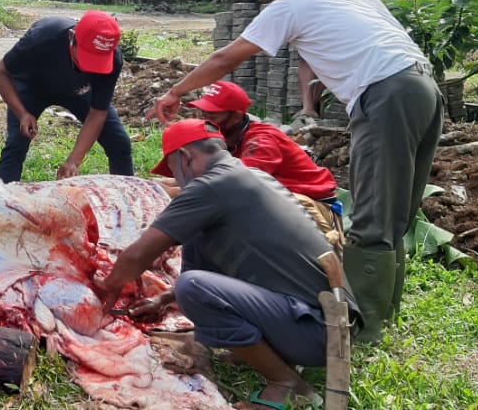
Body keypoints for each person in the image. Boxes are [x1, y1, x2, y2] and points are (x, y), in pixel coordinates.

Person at [148, 0, 443, 344]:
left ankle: (359, 331)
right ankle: (385, 316)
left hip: (385, 94)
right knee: (396, 215)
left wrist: (177, 91)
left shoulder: (294, 2)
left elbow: (227, 58)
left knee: (373, 218)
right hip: (422, 87)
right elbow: (341, 45)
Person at [96, 119, 361, 410]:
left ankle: (288, 385)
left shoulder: (212, 187)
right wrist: (164, 298)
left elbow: (137, 255)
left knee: (194, 287)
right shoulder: (247, 176)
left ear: (186, 158)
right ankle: (266, 350)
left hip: (320, 332)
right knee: (192, 268)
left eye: (173, 170)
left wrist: (105, 292)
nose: (177, 180)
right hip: (329, 322)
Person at [0, 10, 133, 182]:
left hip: (77, 92)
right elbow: (0, 72)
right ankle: (1, 201)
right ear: (71, 37)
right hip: (32, 87)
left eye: (97, 64)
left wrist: (74, 160)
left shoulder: (113, 60)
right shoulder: (42, 37)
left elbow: (98, 113)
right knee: (16, 144)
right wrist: (22, 113)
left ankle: (125, 199)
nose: (89, 69)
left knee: (119, 143)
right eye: (87, 60)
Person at [185, 80, 337, 203]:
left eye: (212, 117)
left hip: (312, 200)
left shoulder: (262, 140)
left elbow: (239, 182)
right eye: (203, 115)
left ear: (237, 116)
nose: (205, 122)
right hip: (283, 195)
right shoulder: (226, 136)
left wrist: (180, 190)